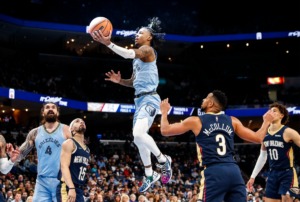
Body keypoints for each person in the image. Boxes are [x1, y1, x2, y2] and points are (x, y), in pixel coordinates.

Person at [91, 17, 172, 192]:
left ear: (149, 37)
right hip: (140, 99)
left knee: (138, 133)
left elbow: (128, 53)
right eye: (136, 33)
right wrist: (120, 81)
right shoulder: (138, 60)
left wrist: (108, 43)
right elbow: (134, 82)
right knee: (138, 138)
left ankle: (164, 161)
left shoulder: (147, 50)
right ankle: (150, 174)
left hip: (150, 98)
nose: (137, 35)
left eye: (141, 32)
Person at [159, 90, 275, 202]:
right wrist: (266, 122)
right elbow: (258, 138)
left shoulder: (196, 121)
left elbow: (165, 130)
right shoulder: (233, 121)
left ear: (211, 103)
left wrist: (164, 112)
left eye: (206, 98)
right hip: (234, 171)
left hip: (214, 171)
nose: (203, 100)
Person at [16, 102, 72, 202]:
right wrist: (13, 156)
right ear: (43, 113)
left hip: (61, 181)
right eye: (47, 107)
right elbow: (20, 155)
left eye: (53, 107)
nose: (50, 109)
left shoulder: (67, 130)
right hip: (41, 182)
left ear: (57, 112)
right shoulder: (35, 132)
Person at [246, 102, 300, 201]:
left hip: (287, 173)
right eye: (270, 111)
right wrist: (253, 177)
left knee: (286, 198)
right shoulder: (264, 134)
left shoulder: (288, 132)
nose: (271, 113)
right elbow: (262, 157)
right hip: (272, 173)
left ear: (281, 115)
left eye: (274, 111)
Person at [56, 118, 90, 202]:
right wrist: (71, 187)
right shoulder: (69, 143)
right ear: (71, 129)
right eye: (77, 121)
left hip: (79, 188)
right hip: (68, 187)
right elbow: (64, 166)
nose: (81, 122)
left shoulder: (87, 149)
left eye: (83, 122)